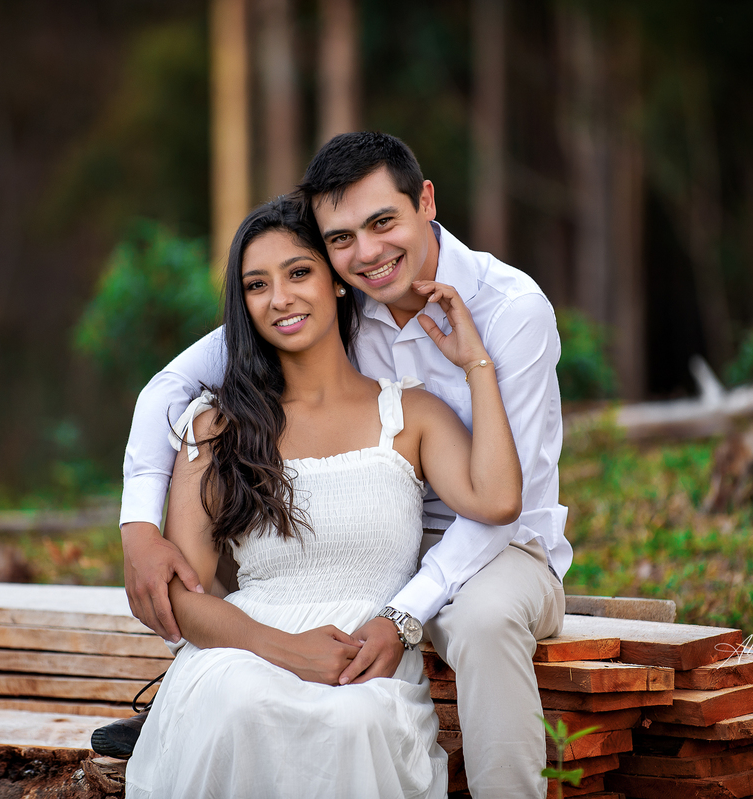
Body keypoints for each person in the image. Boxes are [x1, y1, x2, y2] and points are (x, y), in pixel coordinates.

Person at [112, 132, 571, 798]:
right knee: (240, 700)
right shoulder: (342, 305)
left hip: (497, 549)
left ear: (426, 202)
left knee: (479, 617)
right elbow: (166, 389)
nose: (369, 253)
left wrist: (400, 613)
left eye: (382, 222)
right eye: (341, 239)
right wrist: (135, 525)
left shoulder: (511, 313)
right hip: (344, 579)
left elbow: (504, 503)